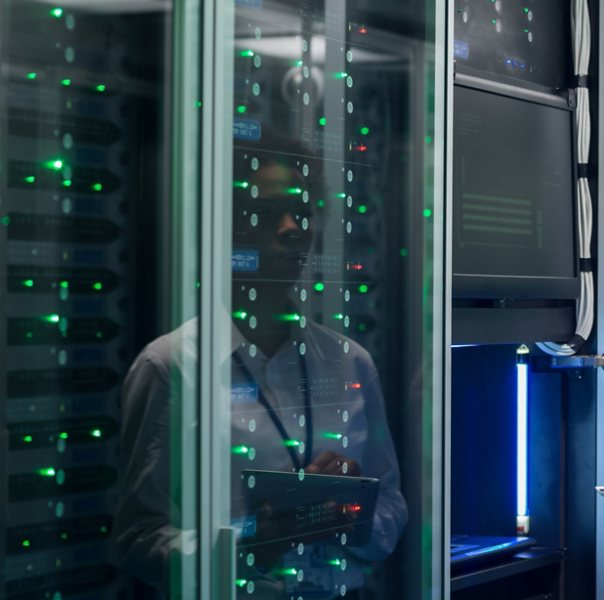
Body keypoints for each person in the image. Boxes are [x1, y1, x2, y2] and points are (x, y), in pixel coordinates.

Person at [111, 135, 407, 599]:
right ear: (223, 226)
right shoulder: (170, 366)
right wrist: (249, 544)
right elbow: (137, 540)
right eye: (268, 213)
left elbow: (390, 503)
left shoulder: (350, 360)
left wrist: (354, 512)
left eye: (303, 214)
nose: (293, 229)